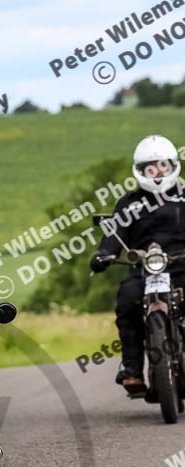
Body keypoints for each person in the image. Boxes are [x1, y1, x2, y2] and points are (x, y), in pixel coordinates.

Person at [90, 134, 184, 391]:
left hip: (182, 263)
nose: (157, 172)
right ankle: (132, 368)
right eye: (150, 168)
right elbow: (115, 235)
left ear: (172, 165)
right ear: (140, 170)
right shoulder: (129, 203)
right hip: (145, 268)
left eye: (162, 165)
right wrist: (103, 255)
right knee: (127, 299)